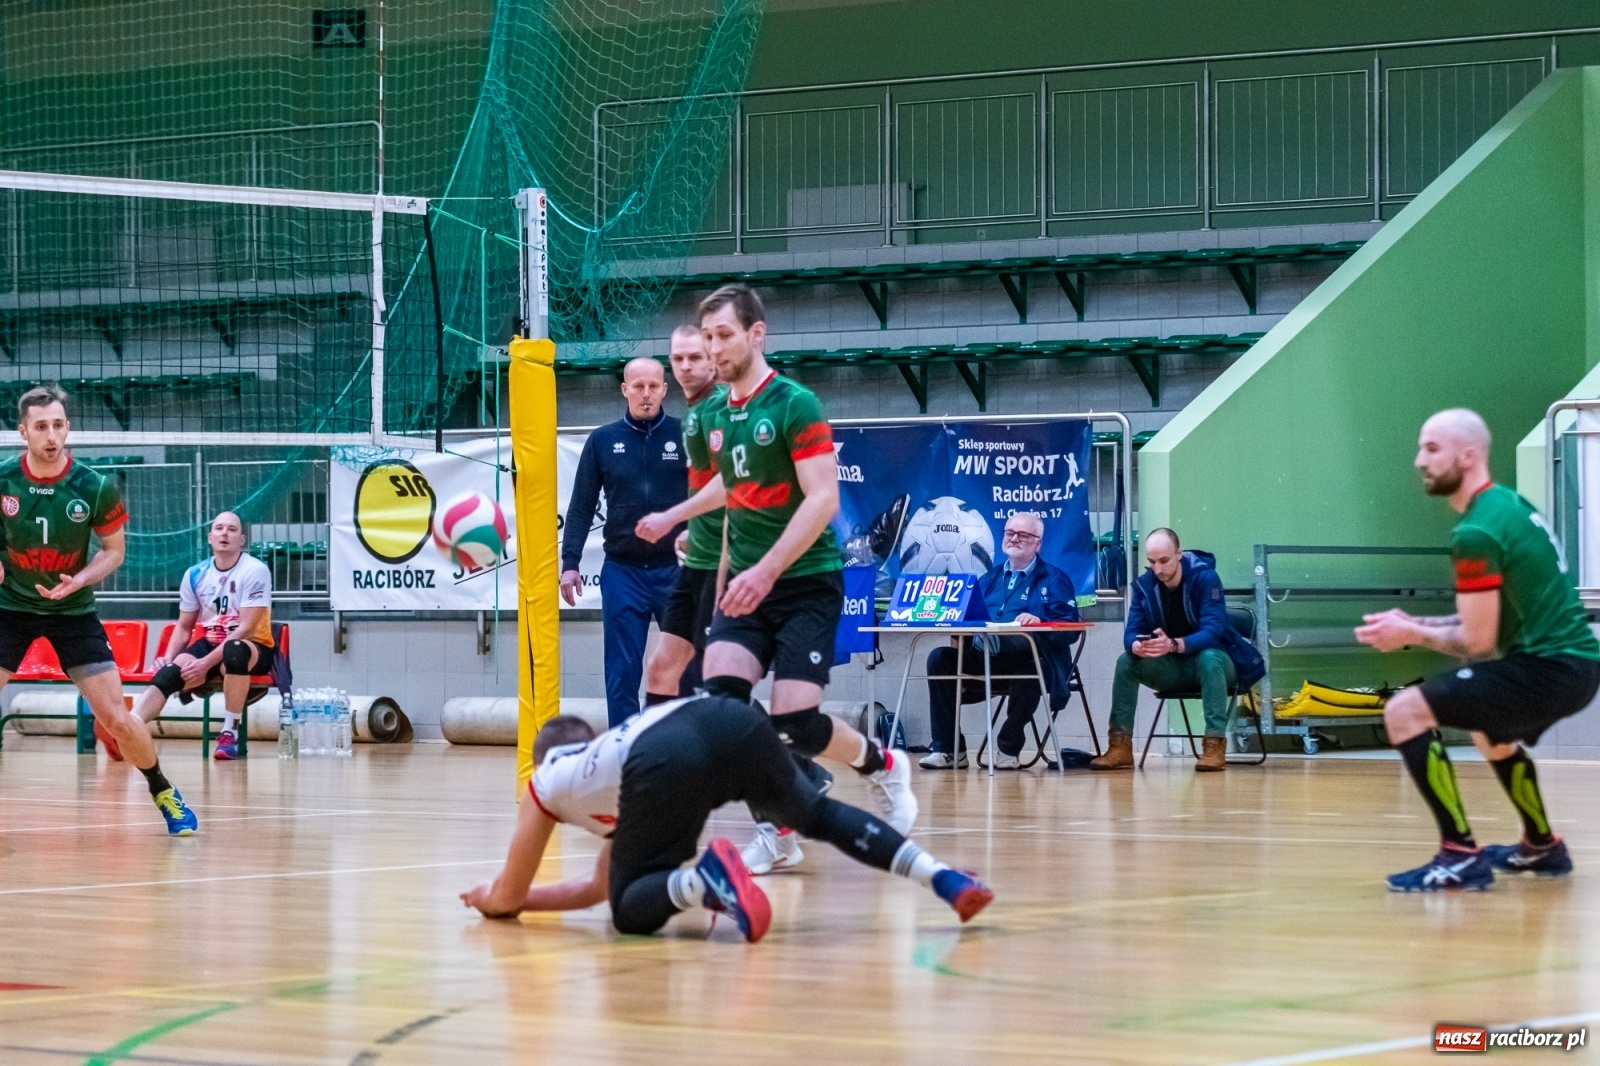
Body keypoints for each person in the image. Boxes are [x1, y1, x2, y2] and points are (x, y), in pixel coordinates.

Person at [635, 284, 915, 876]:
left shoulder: (794, 403)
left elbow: (823, 499)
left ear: (756, 334)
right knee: (725, 714)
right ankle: (776, 829)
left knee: (793, 723)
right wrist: (717, 562)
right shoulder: (720, 414)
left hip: (805, 582)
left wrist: (765, 571)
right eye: (706, 337)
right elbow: (730, 494)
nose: (713, 349)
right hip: (745, 584)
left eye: (723, 337)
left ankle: (879, 764)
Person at [459, 697, 993, 942]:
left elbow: (508, 895)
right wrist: (522, 899)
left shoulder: (549, 779)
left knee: (629, 916)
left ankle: (705, 880)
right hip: (730, 718)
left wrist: (495, 898)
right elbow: (597, 886)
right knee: (818, 815)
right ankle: (941, 877)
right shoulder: (609, 762)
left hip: (668, 755)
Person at [1355, 409, 1600, 892]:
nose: (1419, 461)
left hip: (1550, 668)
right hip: (1576, 665)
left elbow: (1478, 642)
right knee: (1491, 730)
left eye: (1431, 449)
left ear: (1468, 455)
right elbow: (1481, 625)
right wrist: (1412, 623)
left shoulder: (1475, 533)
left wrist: (1411, 634)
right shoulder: (1507, 505)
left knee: (1404, 712)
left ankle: (1460, 854)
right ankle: (1542, 846)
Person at [0, 385, 197, 834]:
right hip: (10, 607)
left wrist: (82, 579)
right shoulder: (3, 480)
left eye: (58, 425)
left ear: (67, 427)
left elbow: (113, 551)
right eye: (41, 427)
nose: (51, 435)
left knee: (117, 721)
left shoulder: (93, 486)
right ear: (23, 432)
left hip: (73, 611)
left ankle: (163, 790)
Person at [560, 356, 690, 727]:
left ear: (665, 389)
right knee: (621, 673)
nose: (646, 395)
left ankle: (675, 746)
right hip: (623, 573)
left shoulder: (686, 435)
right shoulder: (602, 441)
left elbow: (711, 496)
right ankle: (627, 754)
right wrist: (570, 563)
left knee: (684, 666)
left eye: (653, 386)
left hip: (676, 571)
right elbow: (582, 507)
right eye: (638, 387)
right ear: (624, 390)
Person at [1089, 527, 1264, 772]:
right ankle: (1120, 745)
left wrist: (1174, 644)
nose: (1158, 569)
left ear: (1178, 554)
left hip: (1216, 665)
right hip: (1174, 667)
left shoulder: (1206, 579)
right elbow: (1131, 630)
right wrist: (1136, 645)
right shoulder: (1144, 587)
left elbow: (1213, 631)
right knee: (1125, 662)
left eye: (1164, 561)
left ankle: (1214, 744)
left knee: (1209, 657)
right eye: (1151, 562)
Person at [918, 511, 1082, 770]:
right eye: (1010, 533)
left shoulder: (1055, 579)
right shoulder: (988, 579)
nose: (1014, 538)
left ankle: (1009, 746)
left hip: (1036, 661)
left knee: (1028, 673)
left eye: (1023, 535)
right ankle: (948, 749)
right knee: (940, 659)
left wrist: (1041, 623)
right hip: (987, 658)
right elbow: (967, 617)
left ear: (1038, 543)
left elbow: (1071, 630)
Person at [112, 511, 275, 762]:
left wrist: (203, 664)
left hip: (254, 646)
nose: (224, 533)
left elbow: (247, 628)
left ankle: (229, 732)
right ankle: (128, 729)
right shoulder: (195, 574)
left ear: (241, 540)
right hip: (211, 644)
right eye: (219, 528)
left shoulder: (255, 570)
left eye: (232, 529)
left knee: (235, 651)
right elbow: (184, 627)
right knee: (168, 672)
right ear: (210, 538)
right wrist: (168, 658)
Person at [642, 324, 722, 705]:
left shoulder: (722, 410)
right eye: (678, 359)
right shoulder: (692, 417)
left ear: (713, 361)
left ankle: (779, 761)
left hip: (729, 560)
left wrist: (670, 517)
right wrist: (695, 528)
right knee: (662, 669)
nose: (686, 367)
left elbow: (735, 485)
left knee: (720, 681)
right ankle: (662, 762)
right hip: (697, 560)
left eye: (695, 358)